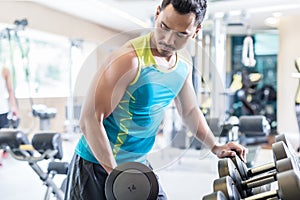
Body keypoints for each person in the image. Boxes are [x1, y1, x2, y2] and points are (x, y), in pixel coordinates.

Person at [64, 0, 247, 199]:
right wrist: (115, 174)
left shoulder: (183, 63)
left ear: (196, 31)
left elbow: (189, 111)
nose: (169, 40)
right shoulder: (128, 60)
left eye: (181, 34)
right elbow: (89, 119)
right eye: (164, 27)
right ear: (157, 13)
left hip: (138, 164)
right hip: (95, 166)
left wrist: (215, 146)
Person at [0, 65, 18, 129]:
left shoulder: (4, 70)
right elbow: (10, 90)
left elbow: (10, 90)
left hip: (2, 111)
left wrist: (14, 107)